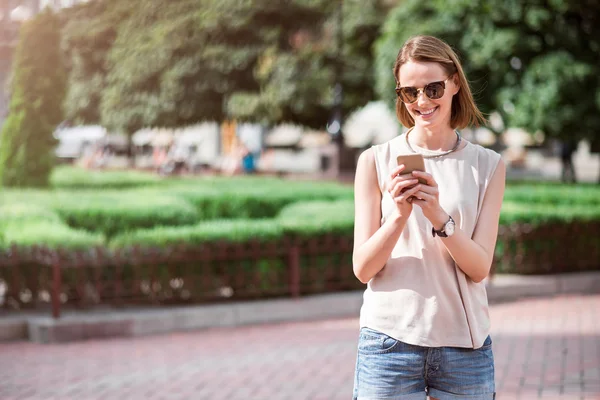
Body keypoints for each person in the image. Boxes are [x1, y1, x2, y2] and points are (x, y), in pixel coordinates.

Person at [352, 35, 505, 400]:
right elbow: (362, 268)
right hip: (388, 342)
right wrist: (398, 216)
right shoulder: (374, 160)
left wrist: (438, 214)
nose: (422, 101)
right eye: (410, 92)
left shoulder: (487, 165)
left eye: (433, 88)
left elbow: (479, 267)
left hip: (464, 347)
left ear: (455, 83)